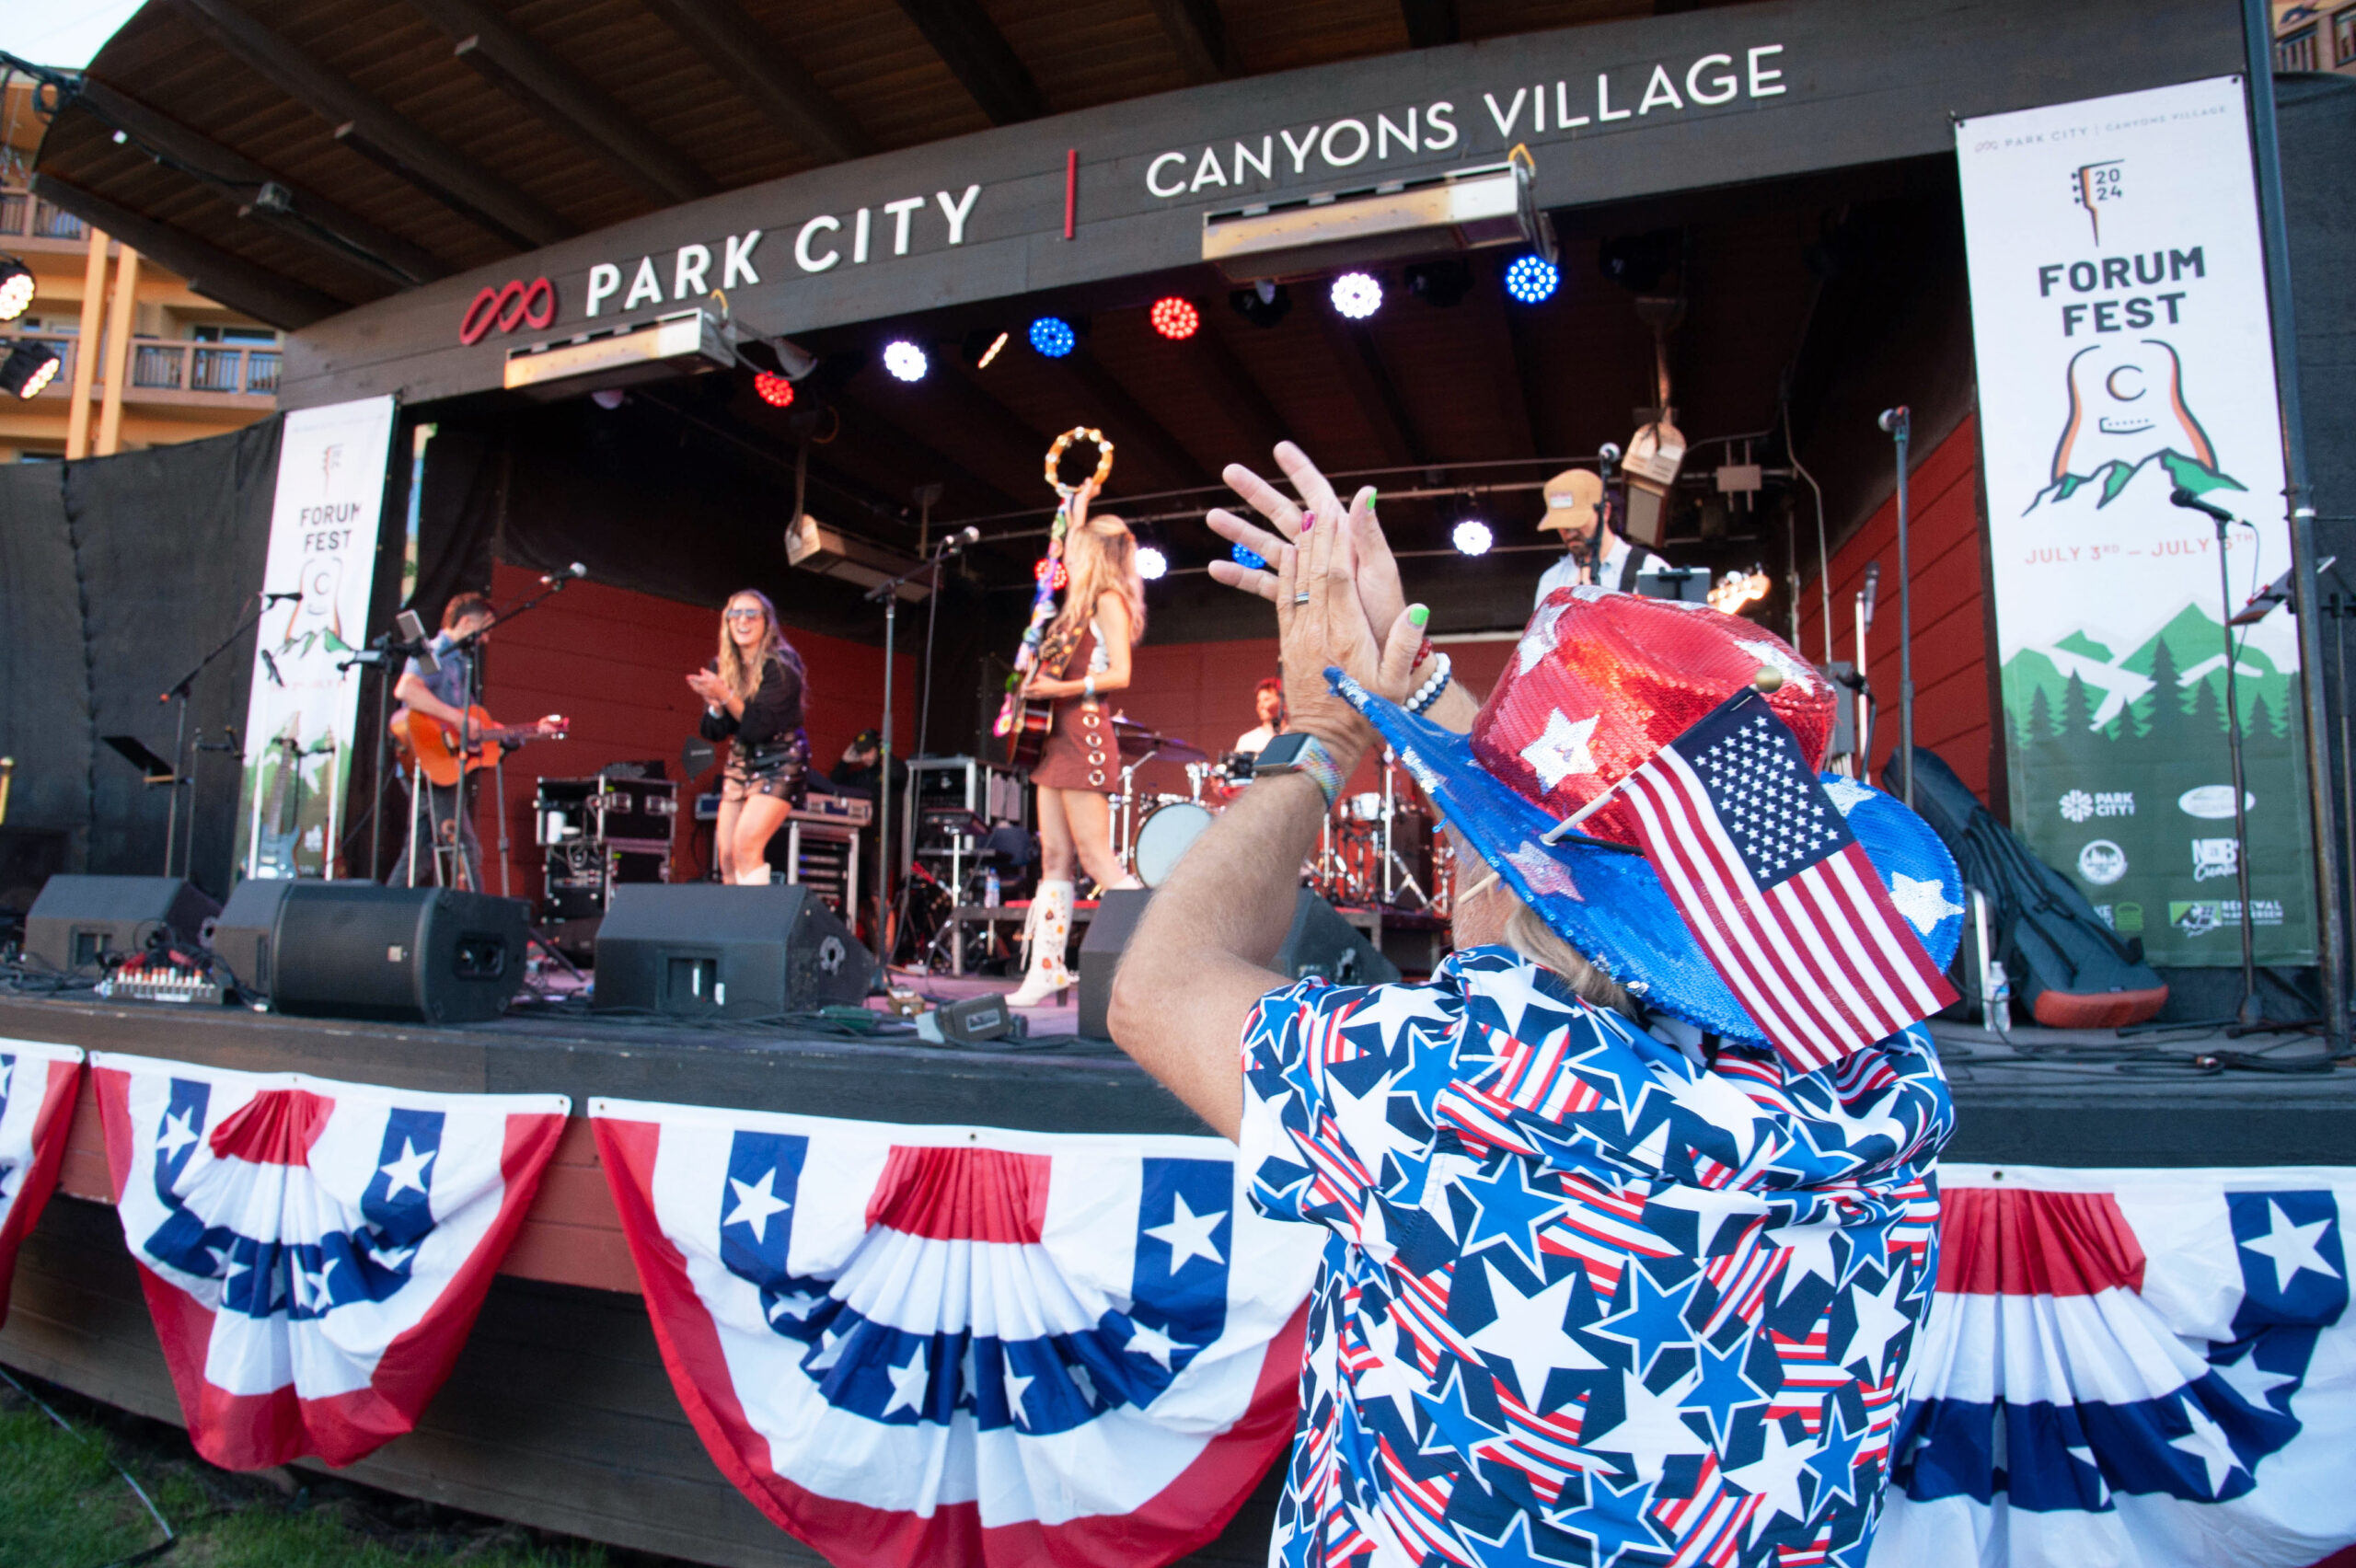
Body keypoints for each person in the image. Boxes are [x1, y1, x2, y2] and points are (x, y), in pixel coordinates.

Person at [1110, 442, 1960, 1568]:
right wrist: (1413, 687)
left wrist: (1325, 738)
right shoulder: (1884, 1084)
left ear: (1513, 891)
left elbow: (1156, 988)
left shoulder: (1447, 1088)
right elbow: (1613, 839)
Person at [1009, 478, 1145, 1006]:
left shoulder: (1109, 600)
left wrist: (1058, 687)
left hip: (1085, 731)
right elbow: (1060, 544)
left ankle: (1160, 948)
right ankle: (1046, 968)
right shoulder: (1074, 606)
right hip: (1055, 738)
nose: (1071, 553)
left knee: (1097, 859)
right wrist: (1077, 503)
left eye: (1081, 547)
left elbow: (1122, 675)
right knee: (1054, 859)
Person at [390, 592, 551, 889]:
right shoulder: (433, 653)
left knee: (419, 853)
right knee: (466, 848)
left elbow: (477, 725)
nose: (486, 639)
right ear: (465, 623)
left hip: (441, 768)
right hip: (428, 764)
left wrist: (529, 730)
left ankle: (387, 912)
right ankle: (473, 914)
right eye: (484, 629)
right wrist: (456, 719)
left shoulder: (460, 663)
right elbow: (407, 690)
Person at [688, 589, 810, 886]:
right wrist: (716, 705)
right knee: (727, 856)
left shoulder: (781, 666)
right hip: (742, 760)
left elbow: (759, 727)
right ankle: (735, 928)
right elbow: (713, 731)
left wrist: (725, 695)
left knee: (746, 847)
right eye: (735, 614)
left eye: (751, 614)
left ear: (766, 623)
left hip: (780, 760)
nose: (742, 620)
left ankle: (755, 929)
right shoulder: (723, 666)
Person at [1532, 466, 1669, 605]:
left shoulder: (1649, 569)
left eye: (1576, 522)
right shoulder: (1551, 580)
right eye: (1561, 524)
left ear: (1605, 512)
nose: (1570, 532)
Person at [1233, 676, 1287, 755]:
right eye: (1259, 701)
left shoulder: (1298, 735)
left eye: (1267, 699)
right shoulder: (1247, 741)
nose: (1261, 706)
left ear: (1283, 702)